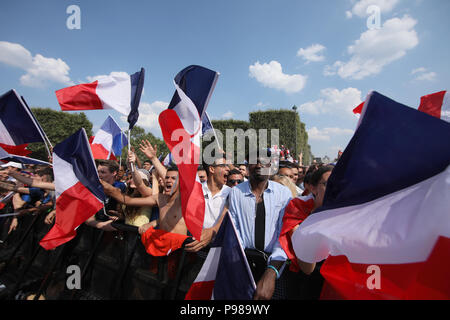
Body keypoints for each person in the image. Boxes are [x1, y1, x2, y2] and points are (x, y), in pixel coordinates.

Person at [227, 150, 292, 300]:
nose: (258, 164)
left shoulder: (284, 194)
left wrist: (271, 272)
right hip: (243, 264)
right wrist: (238, 264)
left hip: (274, 265)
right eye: (253, 161)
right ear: (247, 165)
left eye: (263, 160)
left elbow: (284, 236)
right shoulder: (236, 193)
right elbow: (235, 231)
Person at [279, 165, 334, 299]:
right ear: (313, 188)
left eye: (338, 183)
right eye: (328, 184)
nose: (334, 187)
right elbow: (307, 267)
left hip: (334, 279)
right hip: (305, 279)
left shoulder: (348, 210)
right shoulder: (298, 206)